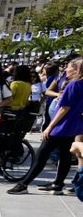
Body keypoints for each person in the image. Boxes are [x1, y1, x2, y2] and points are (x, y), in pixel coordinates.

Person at [7, 57, 83, 195]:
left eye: (69, 67)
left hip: (61, 126)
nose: (66, 69)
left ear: (77, 69)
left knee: (41, 154)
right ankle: (58, 184)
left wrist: (50, 127)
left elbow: (64, 108)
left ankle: (24, 184)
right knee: (65, 155)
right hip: (74, 125)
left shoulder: (73, 85)